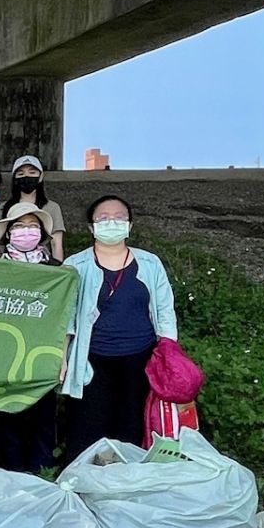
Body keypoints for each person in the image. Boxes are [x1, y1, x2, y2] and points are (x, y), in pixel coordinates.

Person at [62, 195, 177, 461]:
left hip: (140, 358)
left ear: (130, 225)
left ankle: (129, 477)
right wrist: (62, 356)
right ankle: (84, 477)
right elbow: (66, 317)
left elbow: (164, 310)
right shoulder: (75, 265)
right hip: (91, 359)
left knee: (132, 424)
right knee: (87, 426)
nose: (111, 223)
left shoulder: (150, 263)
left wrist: (169, 350)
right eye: (103, 218)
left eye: (119, 217)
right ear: (91, 227)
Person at [0, 202, 62, 473]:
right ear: (8, 233)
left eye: (32, 226)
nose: (26, 231)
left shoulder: (57, 270)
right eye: (19, 226)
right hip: (5, 353)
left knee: (44, 416)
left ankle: (43, 472)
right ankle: (13, 473)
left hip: (44, 353)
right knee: (9, 415)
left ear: (42, 232)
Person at [1, 155, 66, 260]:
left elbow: (56, 243)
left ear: (40, 177)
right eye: (21, 174)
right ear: (15, 179)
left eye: (32, 173)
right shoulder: (4, 207)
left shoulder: (52, 207)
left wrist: (58, 266)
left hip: (42, 262)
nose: (26, 176)